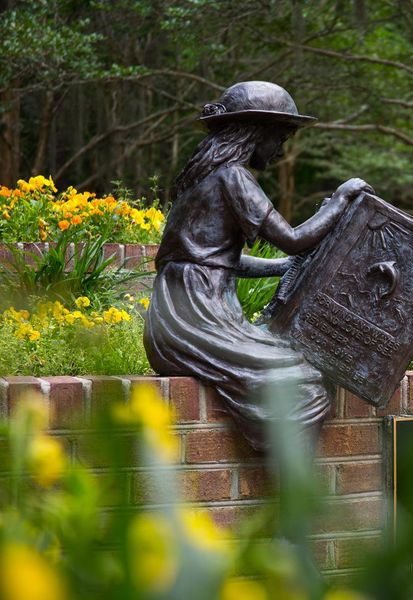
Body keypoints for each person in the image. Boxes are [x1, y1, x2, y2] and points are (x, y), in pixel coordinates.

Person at [143, 81, 372, 450]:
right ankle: (292, 488)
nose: (281, 151)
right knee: (304, 377)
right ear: (256, 133)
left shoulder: (201, 177)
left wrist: (282, 267)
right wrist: (341, 199)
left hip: (175, 317)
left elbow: (213, 260)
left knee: (293, 357)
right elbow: (293, 238)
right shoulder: (233, 177)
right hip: (197, 317)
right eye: (279, 139)